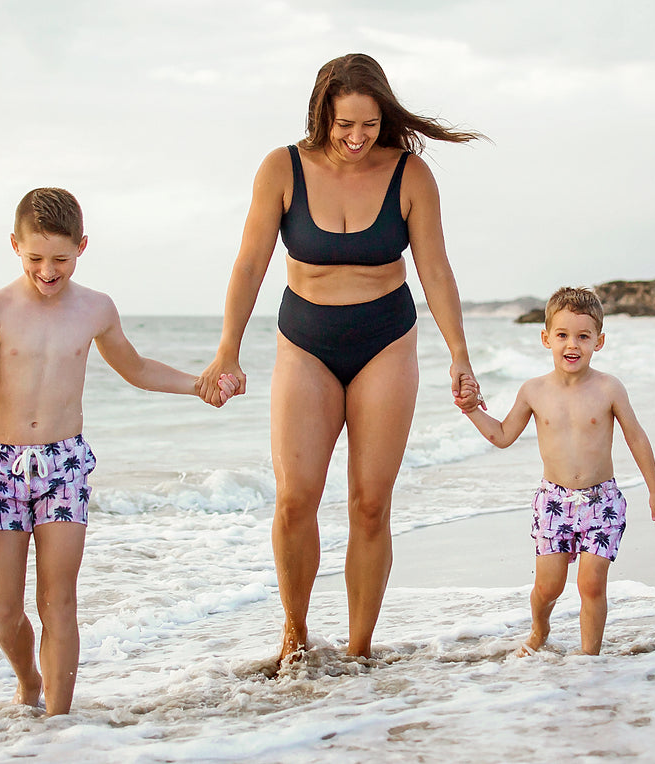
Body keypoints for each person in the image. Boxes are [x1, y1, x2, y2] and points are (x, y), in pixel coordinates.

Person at [195, 53, 482, 665]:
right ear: (322, 113)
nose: (356, 139)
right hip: (306, 341)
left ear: (385, 118)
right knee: (296, 498)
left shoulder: (411, 176)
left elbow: (435, 266)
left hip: (386, 339)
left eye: (370, 126)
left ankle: (358, 652)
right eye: (344, 124)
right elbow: (250, 263)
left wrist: (459, 353)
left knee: (370, 504)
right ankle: (294, 640)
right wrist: (228, 348)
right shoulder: (282, 168)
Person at [0, 187, 236, 715]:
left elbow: (136, 367)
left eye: (60, 258)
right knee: (2, 607)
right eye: (36, 258)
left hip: (63, 466)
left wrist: (198, 385)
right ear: (15, 245)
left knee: (59, 600)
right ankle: (28, 681)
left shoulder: (95, 308)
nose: (48, 270)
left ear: (82, 246)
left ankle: (59, 728)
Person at [455, 287, 655, 655]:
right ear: (546, 338)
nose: (573, 344)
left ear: (599, 341)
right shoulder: (534, 391)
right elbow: (503, 435)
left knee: (591, 585)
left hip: (602, 502)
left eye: (583, 336)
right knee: (548, 587)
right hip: (553, 503)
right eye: (563, 335)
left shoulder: (609, 388)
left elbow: (636, 437)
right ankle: (540, 630)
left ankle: (589, 658)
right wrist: (472, 409)